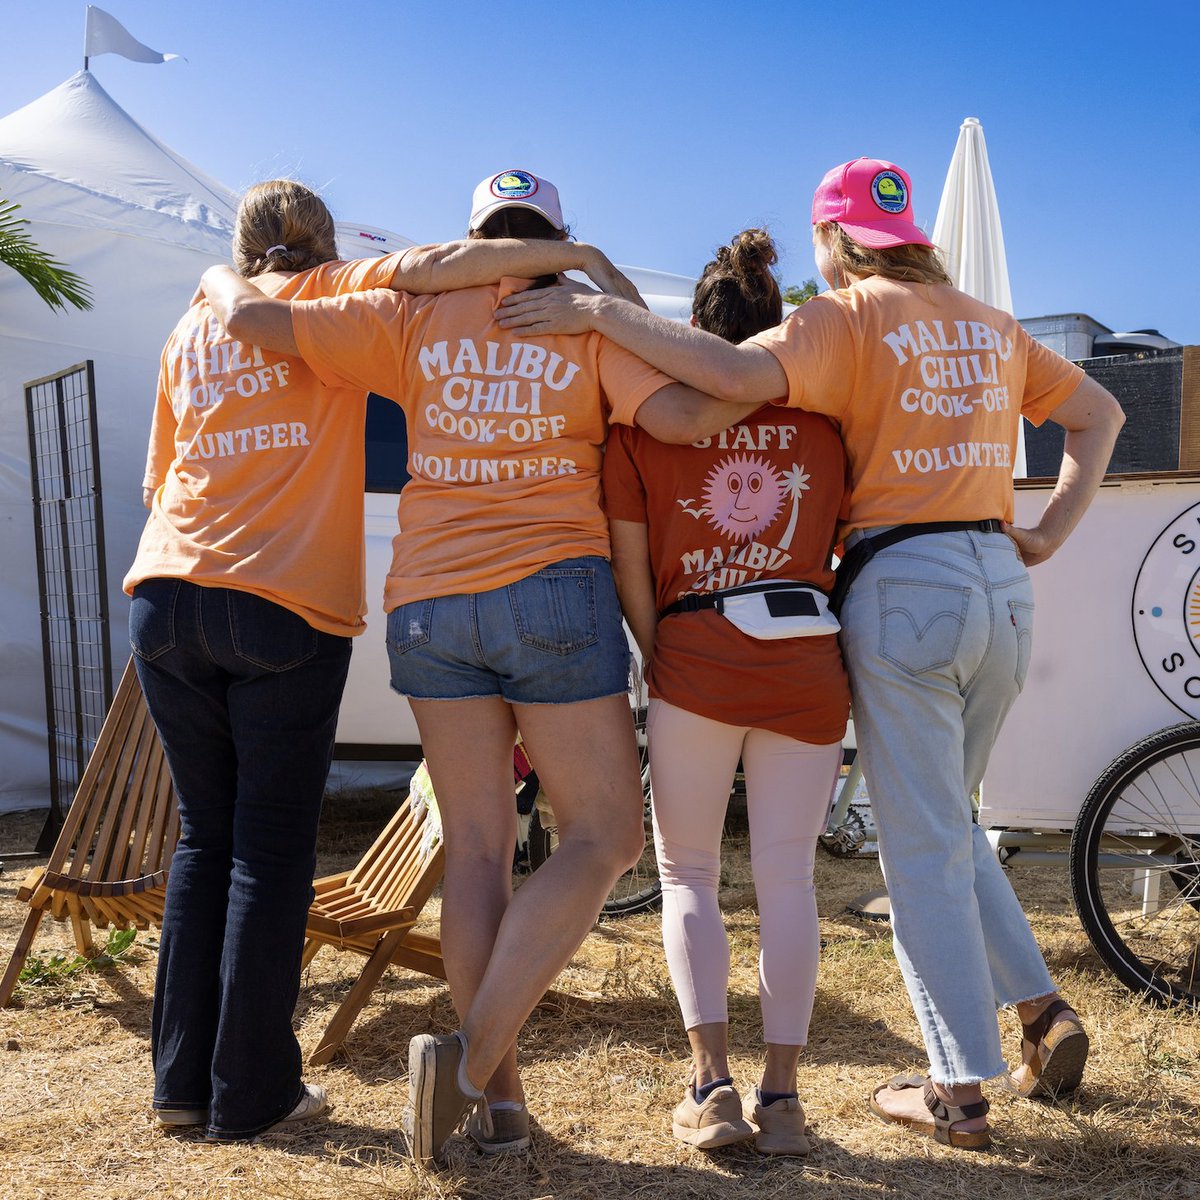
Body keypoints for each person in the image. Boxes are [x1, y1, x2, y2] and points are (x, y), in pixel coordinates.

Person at [498, 157, 1125, 1150]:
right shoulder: (979, 328)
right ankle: (1020, 1017)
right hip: (979, 593)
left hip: (860, 598)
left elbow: (720, 406)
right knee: (921, 831)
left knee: (831, 857)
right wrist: (1045, 534)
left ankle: (938, 1090)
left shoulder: (841, 321)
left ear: (832, 241)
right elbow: (1104, 414)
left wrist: (598, 317)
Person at [199, 169, 760, 1164]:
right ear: (553, 235)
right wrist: (619, 307)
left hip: (426, 602)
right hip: (551, 589)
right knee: (603, 837)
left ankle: (497, 1110)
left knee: (474, 852)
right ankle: (462, 1068)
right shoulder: (584, 321)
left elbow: (266, 328)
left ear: (474, 238)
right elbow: (686, 413)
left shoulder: (411, 312)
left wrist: (218, 279)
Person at [125, 177, 652, 1143]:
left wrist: (218, 280)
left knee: (207, 840)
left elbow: (159, 475)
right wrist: (579, 266)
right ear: (320, 247)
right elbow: (452, 275)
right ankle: (260, 1092)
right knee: (272, 849)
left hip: (166, 591)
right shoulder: (343, 293)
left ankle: (181, 1085)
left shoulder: (191, 328)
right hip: (289, 599)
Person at [603, 228, 849, 1155]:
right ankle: (783, 1100)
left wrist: (666, 650)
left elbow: (634, 572)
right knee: (790, 879)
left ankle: (712, 1089)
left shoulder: (640, 428)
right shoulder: (825, 429)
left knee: (689, 875)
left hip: (698, 654)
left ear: (691, 334)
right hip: (807, 659)